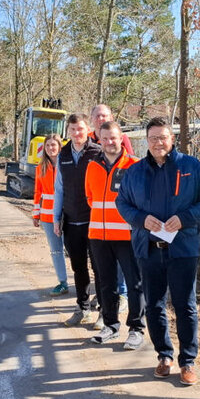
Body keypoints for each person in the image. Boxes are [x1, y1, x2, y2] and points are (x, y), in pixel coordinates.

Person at [116, 117, 200, 385]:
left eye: (163, 137)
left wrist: (187, 217)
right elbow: (122, 203)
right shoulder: (135, 172)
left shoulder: (192, 167)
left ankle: (187, 361)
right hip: (149, 249)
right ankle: (164, 356)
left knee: (185, 305)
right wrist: (140, 219)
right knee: (154, 305)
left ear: (172, 138)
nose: (158, 143)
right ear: (147, 140)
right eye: (153, 138)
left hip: (183, 250)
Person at [84, 121, 146, 348]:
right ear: (99, 140)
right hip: (99, 237)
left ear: (122, 139)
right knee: (106, 283)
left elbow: (141, 200)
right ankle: (110, 325)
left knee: (134, 283)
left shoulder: (135, 166)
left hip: (127, 237)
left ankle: (136, 329)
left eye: (114, 137)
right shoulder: (92, 166)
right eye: (105, 138)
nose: (110, 142)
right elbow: (90, 197)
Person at [53, 114, 102, 327]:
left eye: (80, 129)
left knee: (100, 268)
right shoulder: (63, 154)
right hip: (72, 223)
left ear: (88, 128)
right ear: (68, 131)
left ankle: (103, 311)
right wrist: (56, 218)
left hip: (95, 222)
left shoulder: (97, 152)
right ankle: (82, 308)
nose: (76, 133)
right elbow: (59, 188)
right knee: (78, 268)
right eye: (72, 129)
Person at [87, 104, 132, 311]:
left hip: (124, 228)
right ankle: (108, 316)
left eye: (104, 115)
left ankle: (123, 298)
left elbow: (130, 175)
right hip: (98, 227)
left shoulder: (129, 155)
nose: (100, 118)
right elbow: (90, 195)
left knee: (130, 277)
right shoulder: (90, 152)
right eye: (97, 116)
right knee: (104, 276)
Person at [33, 134, 69, 296]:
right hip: (47, 215)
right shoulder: (40, 168)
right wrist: (36, 214)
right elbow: (37, 191)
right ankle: (62, 282)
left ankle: (84, 283)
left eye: (53, 145)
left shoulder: (67, 164)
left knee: (74, 250)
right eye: (47, 146)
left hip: (68, 213)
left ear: (60, 147)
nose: (50, 148)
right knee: (55, 250)